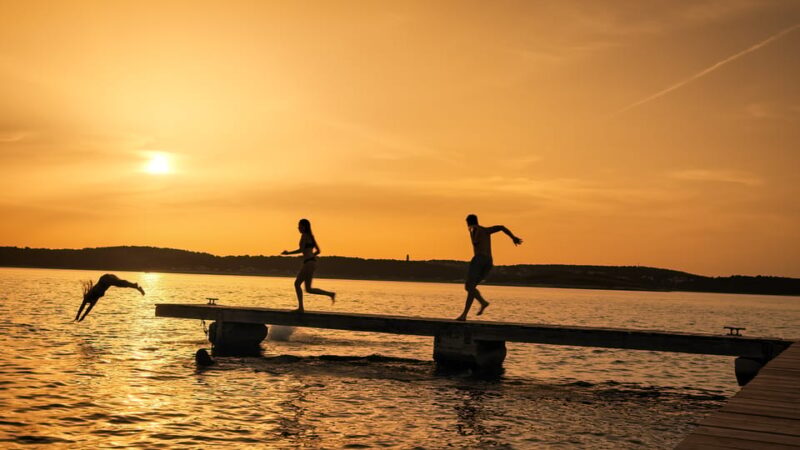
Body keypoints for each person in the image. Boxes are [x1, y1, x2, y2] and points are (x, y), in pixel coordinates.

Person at [456, 214, 522, 321]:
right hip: (489, 261)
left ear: (468, 223)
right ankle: (470, 311)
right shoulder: (486, 230)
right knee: (471, 288)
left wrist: (471, 233)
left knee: (469, 287)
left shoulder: (474, 229)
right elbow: (501, 227)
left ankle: (478, 305)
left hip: (479, 259)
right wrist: (513, 237)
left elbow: (475, 242)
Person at [281, 218, 336, 312]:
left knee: (297, 283)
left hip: (309, 263)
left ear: (304, 226)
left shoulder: (304, 236)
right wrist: (311, 256)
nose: (298, 228)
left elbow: (301, 250)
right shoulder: (311, 236)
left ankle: (301, 308)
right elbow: (318, 251)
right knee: (309, 289)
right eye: (298, 226)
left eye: (300, 226)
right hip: (312, 262)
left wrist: (288, 253)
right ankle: (330, 294)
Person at [74, 273, 145, 322]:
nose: (90, 303)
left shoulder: (88, 297)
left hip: (104, 280)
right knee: (120, 283)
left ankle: (134, 286)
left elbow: (82, 308)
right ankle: (135, 286)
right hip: (107, 281)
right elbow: (88, 309)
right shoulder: (95, 299)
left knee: (119, 283)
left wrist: (79, 316)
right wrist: (82, 317)